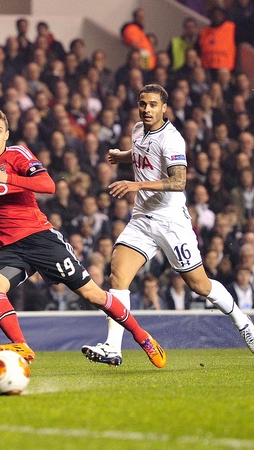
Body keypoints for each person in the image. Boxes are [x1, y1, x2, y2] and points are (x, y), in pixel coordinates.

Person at [0, 107, 166, 367]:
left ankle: (142, 336)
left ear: (6, 135)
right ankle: (21, 346)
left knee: (93, 295)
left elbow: (49, 185)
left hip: (40, 238)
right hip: (10, 249)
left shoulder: (17, 155)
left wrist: (7, 177)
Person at [82, 84, 254, 367]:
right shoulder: (138, 129)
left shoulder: (172, 139)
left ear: (164, 108)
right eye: (142, 104)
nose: (146, 109)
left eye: (152, 104)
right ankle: (113, 347)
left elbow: (178, 181)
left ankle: (243, 323)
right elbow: (143, 153)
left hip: (171, 221)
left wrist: (135, 184)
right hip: (142, 218)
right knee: (118, 277)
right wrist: (123, 156)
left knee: (199, 284)